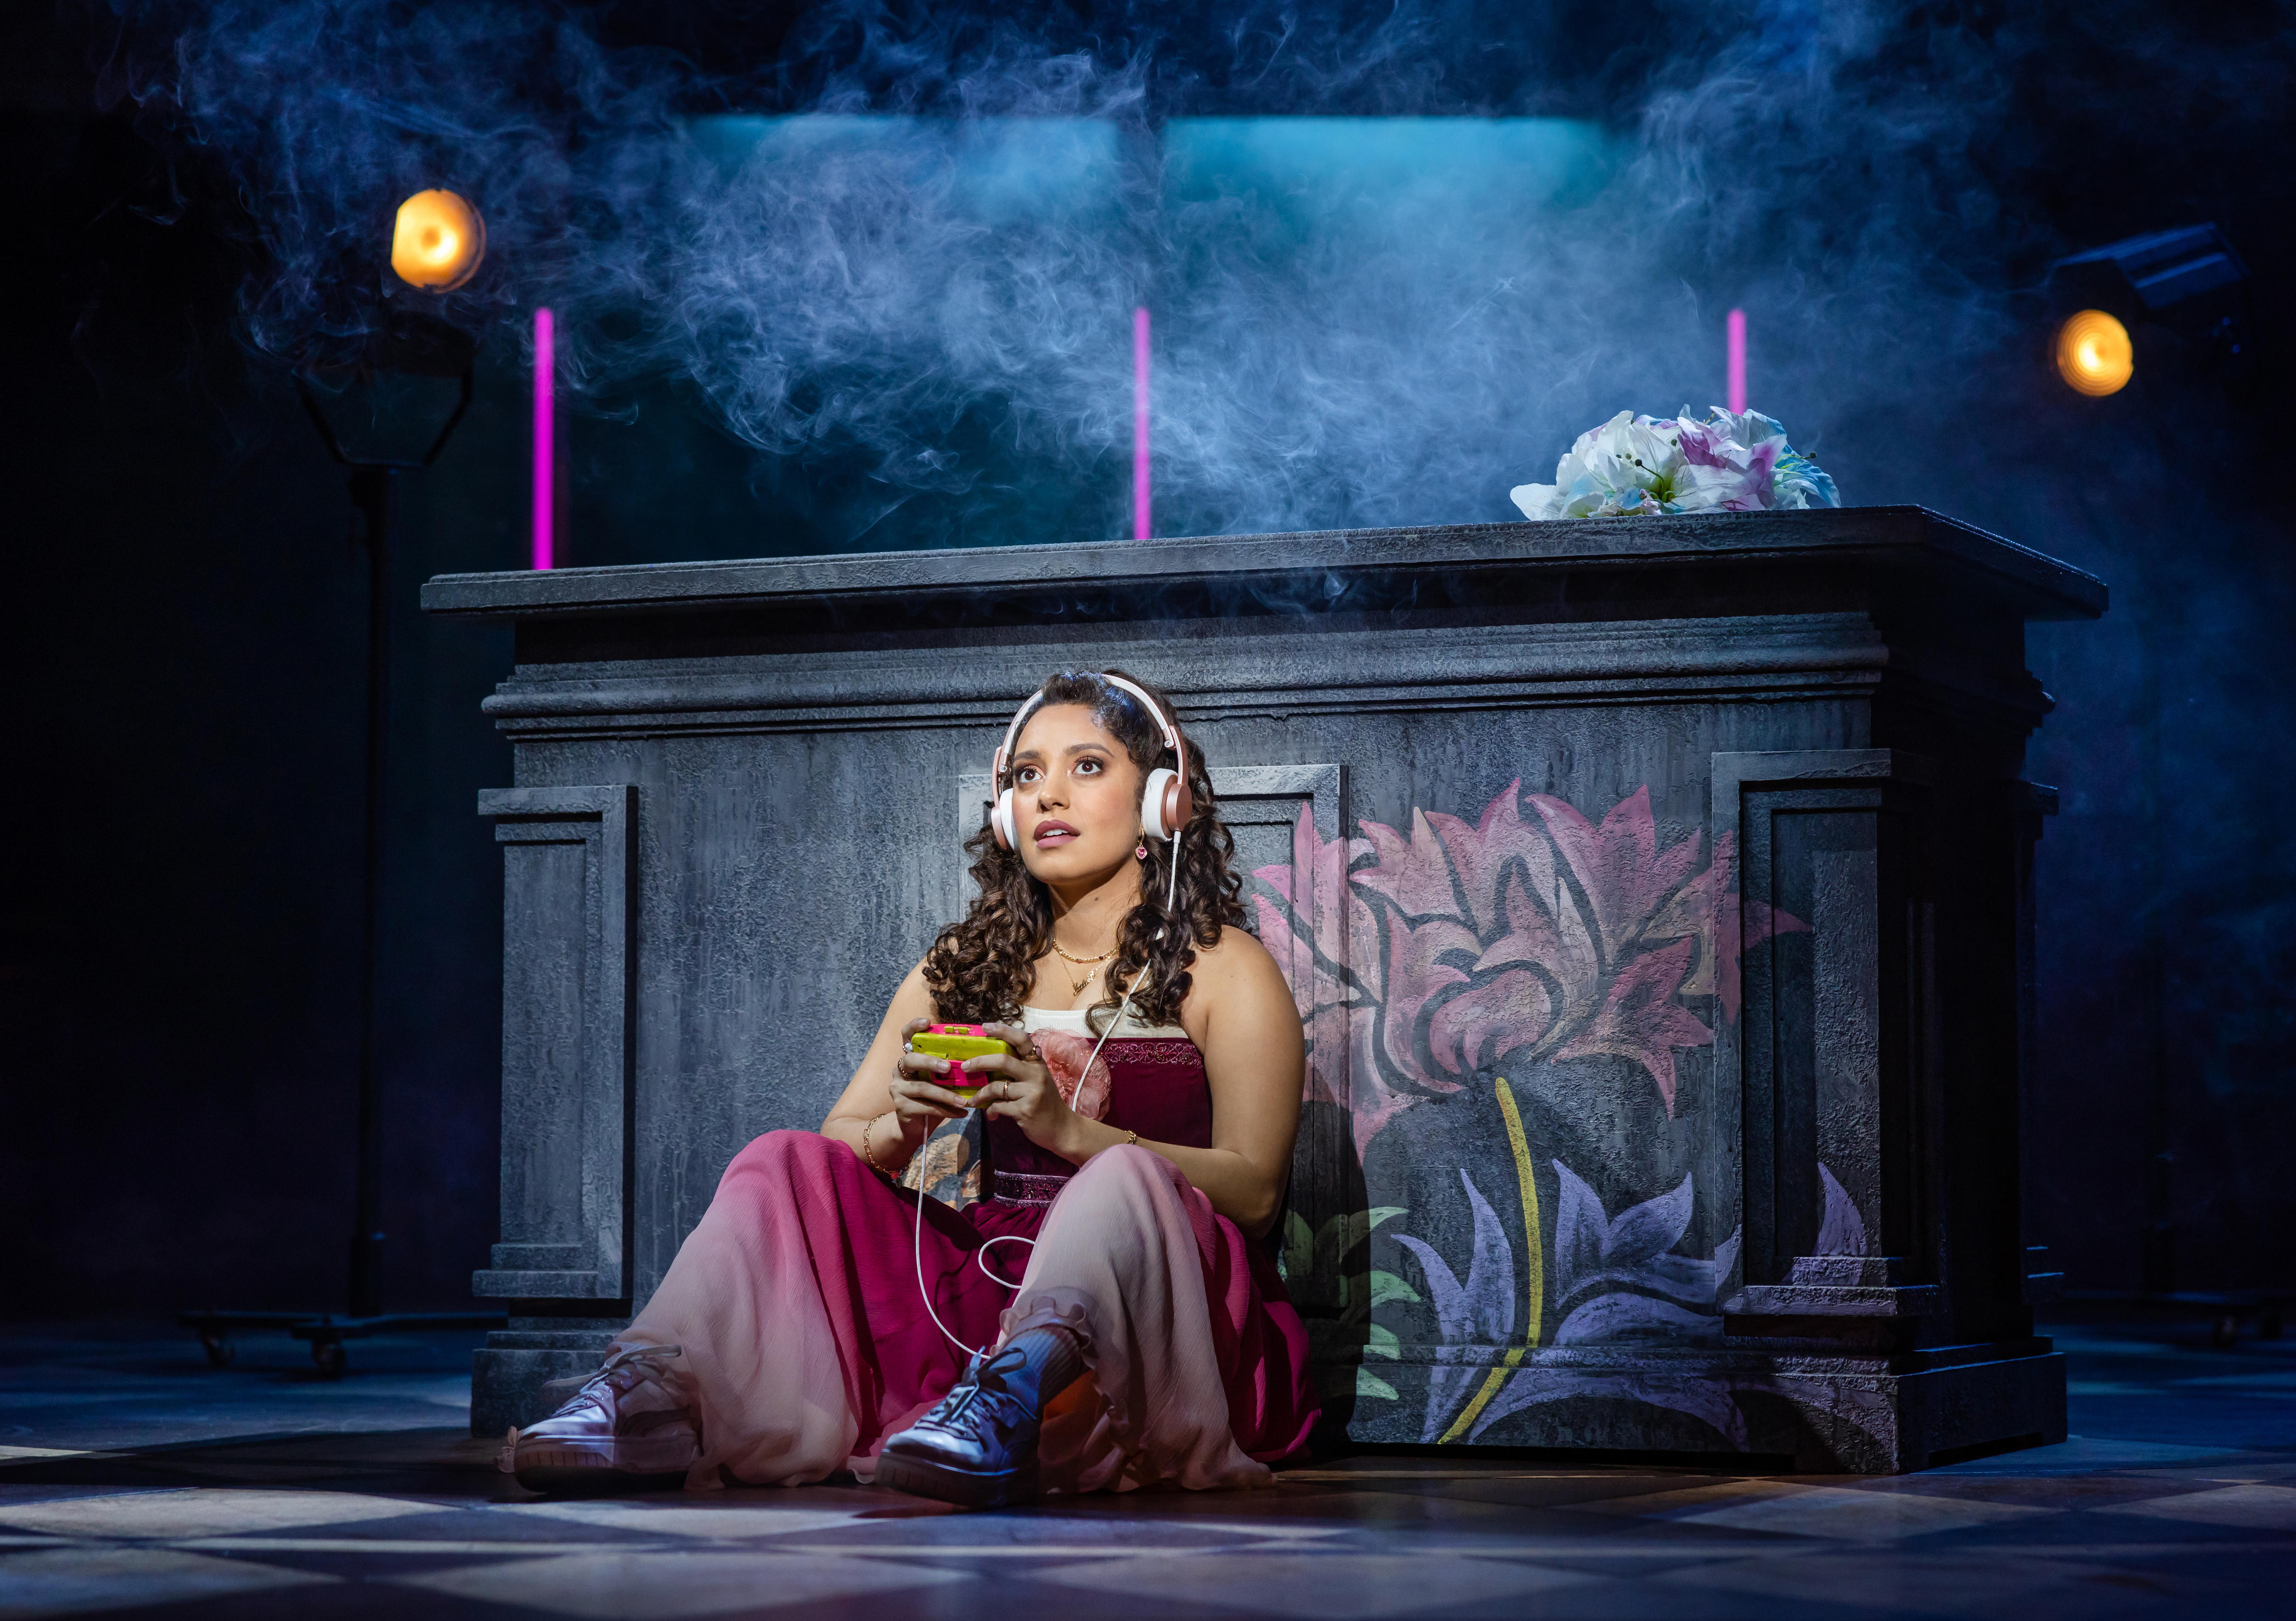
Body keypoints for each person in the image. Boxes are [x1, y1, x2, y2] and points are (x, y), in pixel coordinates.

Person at [508, 670, 1316, 1504]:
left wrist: (1074, 1134)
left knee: (1124, 1178)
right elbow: (836, 1143)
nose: (1046, 797)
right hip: (982, 1296)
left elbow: (1255, 1194)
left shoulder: (1226, 971)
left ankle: (1015, 1401)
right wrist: (900, 1124)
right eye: (1027, 775)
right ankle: (650, 1401)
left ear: (1162, 801)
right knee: (782, 1157)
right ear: (1005, 813)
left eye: (1085, 767)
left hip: (1164, 1317)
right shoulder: (962, 965)